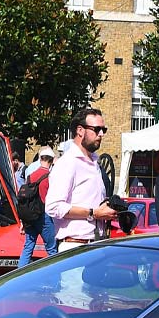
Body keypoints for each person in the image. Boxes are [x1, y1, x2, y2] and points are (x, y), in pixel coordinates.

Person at [45, 107, 118, 249]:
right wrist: (93, 213)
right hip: (75, 245)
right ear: (80, 130)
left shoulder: (94, 163)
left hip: (96, 244)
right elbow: (53, 206)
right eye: (97, 129)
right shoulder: (68, 162)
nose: (101, 134)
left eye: (104, 130)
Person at [18, 150, 57, 266]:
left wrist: (23, 222)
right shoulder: (50, 177)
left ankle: (19, 275)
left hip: (30, 216)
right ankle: (55, 277)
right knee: (51, 249)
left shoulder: (30, 176)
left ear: (40, 159)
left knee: (28, 246)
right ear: (52, 161)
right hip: (43, 215)